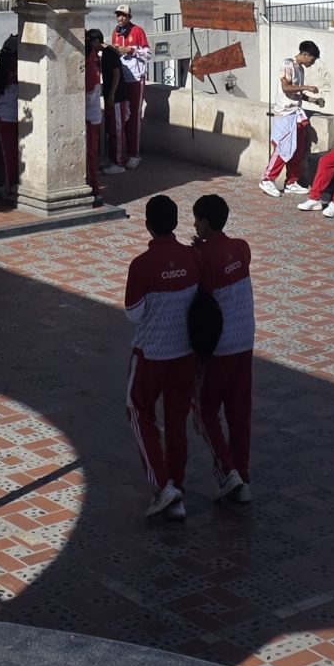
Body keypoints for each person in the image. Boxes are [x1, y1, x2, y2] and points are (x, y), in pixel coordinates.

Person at [123, 193, 201, 519]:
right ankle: (176, 489)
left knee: (138, 411)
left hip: (151, 354)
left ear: (148, 226)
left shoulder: (142, 265)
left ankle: (162, 486)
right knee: (176, 421)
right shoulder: (192, 257)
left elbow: (133, 314)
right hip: (185, 354)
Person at [190, 193, 255, 501]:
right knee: (239, 412)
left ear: (205, 222)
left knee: (206, 409)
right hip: (246, 340)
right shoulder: (241, 247)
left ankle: (227, 471)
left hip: (220, 345)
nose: (194, 225)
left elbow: (199, 291)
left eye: (196, 220)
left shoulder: (203, 258)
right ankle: (243, 476)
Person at [261, 39, 323, 196]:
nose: (312, 63)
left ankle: (291, 182)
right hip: (285, 113)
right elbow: (286, 87)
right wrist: (307, 87)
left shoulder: (300, 69)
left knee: (298, 149)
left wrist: (313, 100)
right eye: (312, 59)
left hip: (296, 113)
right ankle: (267, 179)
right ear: (305, 54)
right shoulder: (287, 64)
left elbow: (297, 93)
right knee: (283, 147)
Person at [111, 7, 150, 164]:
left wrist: (130, 50)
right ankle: (123, 152)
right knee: (122, 117)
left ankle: (134, 154)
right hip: (121, 79)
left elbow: (148, 54)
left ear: (129, 17)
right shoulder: (115, 32)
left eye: (124, 16)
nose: (121, 18)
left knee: (134, 117)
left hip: (136, 79)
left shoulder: (138, 31)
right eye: (118, 15)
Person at [0, 37, 20, 198]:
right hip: (21, 117)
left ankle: (10, 186)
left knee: (8, 155)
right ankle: (14, 184)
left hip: (3, 118)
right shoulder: (23, 68)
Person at [99, 39, 128, 173]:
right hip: (111, 97)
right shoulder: (108, 52)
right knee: (111, 130)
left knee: (117, 130)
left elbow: (116, 73)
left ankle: (119, 162)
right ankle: (112, 159)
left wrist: (112, 94)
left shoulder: (109, 53)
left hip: (117, 98)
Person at [84, 28, 105, 201]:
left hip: (90, 117)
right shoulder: (91, 62)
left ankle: (95, 189)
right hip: (91, 116)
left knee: (91, 154)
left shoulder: (90, 66)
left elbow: (88, 97)